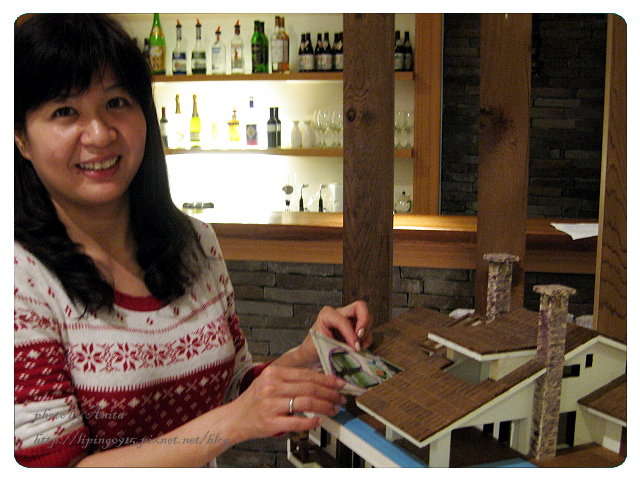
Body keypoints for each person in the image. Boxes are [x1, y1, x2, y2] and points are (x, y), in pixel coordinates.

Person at [14, 14, 372, 468]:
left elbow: (232, 387)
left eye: (117, 102)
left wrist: (308, 355)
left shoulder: (194, 244)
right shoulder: (21, 279)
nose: (100, 134)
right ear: (21, 138)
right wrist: (232, 423)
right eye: (65, 111)